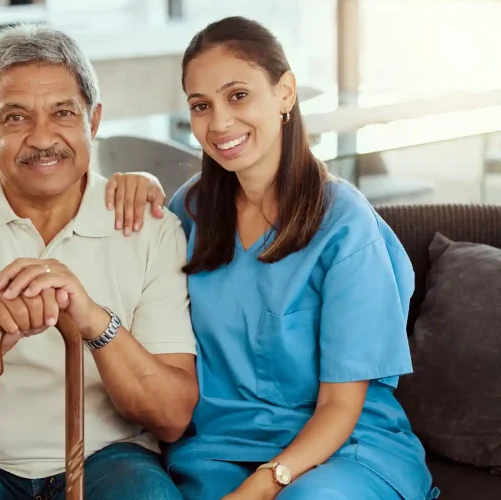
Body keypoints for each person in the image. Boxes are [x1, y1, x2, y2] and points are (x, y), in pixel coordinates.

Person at [104, 16, 439, 500]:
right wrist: (139, 189)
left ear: (285, 93)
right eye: (202, 106)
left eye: (238, 95)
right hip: (218, 450)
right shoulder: (187, 212)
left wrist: (266, 482)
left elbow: (340, 407)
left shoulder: (344, 223)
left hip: (341, 448)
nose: (219, 123)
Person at [0, 24, 199, 500]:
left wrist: (94, 321)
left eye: (64, 112)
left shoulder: (150, 227)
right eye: (16, 117)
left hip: (109, 456)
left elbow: (171, 417)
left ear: (94, 121)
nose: (43, 137)